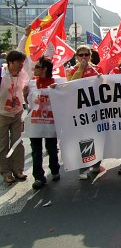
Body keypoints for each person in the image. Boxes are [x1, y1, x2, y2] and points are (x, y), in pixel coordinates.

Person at [23, 56, 61, 189]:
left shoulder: (56, 82)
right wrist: (24, 94)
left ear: (45, 69)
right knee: (36, 151)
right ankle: (39, 177)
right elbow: (29, 103)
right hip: (35, 122)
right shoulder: (31, 83)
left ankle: (55, 169)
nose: (35, 69)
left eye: (38, 67)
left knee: (51, 149)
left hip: (50, 122)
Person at [66, 45, 103, 179]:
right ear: (76, 57)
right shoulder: (72, 69)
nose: (83, 58)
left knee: (97, 136)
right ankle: (83, 168)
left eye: (86, 55)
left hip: (96, 108)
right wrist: (81, 69)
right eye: (80, 55)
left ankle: (96, 163)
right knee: (84, 138)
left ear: (90, 56)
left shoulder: (97, 69)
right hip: (80, 109)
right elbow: (69, 85)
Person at [0, 50, 29, 184]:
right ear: (10, 62)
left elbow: (26, 86)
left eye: (22, 63)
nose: (21, 65)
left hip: (17, 113)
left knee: (17, 142)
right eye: (18, 62)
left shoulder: (22, 73)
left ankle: (18, 170)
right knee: (3, 145)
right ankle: (6, 172)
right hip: (2, 115)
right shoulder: (2, 74)